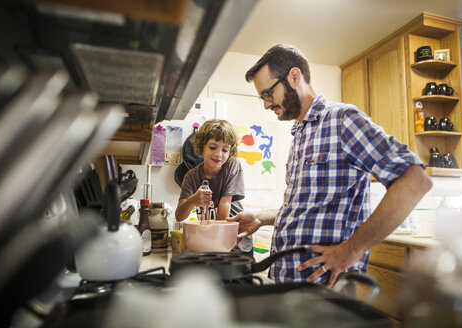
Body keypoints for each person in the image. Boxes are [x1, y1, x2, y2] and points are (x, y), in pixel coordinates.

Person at [228, 44, 432, 286]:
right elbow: (309, 208)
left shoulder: (343, 120)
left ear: (294, 77)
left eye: (267, 94)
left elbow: (415, 181)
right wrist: (261, 217)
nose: (265, 104)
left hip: (325, 288)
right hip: (288, 281)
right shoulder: (300, 133)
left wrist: (351, 251)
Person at [175, 119, 252, 254]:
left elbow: (225, 204)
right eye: (212, 147)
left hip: (235, 241)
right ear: (202, 146)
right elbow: (179, 216)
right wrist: (193, 200)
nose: (218, 154)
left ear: (230, 151)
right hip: (211, 241)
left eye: (225, 150)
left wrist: (220, 240)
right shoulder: (191, 176)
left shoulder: (232, 166)